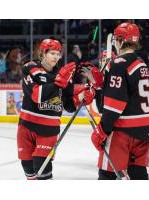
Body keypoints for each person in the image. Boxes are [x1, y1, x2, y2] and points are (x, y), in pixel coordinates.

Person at [17, 38, 95, 180]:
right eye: (52, 53)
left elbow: (68, 105)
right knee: (28, 168)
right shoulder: (30, 68)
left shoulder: (64, 73)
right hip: (26, 127)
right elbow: (36, 95)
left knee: (42, 168)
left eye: (58, 54)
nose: (55, 57)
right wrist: (59, 83)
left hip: (49, 130)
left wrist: (82, 97)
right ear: (43, 53)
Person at [86, 22, 149, 180]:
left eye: (116, 39)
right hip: (144, 129)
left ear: (121, 40)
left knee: (107, 174)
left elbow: (113, 106)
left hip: (123, 131)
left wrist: (102, 130)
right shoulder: (140, 62)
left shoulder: (118, 64)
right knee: (138, 174)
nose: (114, 42)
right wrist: (102, 85)